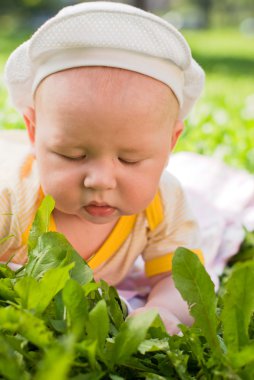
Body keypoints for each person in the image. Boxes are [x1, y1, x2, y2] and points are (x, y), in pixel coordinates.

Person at [1, 1, 205, 334]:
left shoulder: (163, 200)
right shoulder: (10, 198)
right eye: (72, 155)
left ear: (170, 143)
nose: (100, 180)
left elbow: (182, 280)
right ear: (34, 132)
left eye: (130, 159)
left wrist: (162, 310)